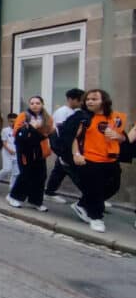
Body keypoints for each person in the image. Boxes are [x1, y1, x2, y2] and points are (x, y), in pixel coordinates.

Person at [70, 89, 127, 233]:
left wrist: (117, 136)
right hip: (90, 160)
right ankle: (96, 218)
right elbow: (74, 138)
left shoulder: (116, 118)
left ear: (104, 101)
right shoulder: (83, 118)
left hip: (110, 160)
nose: (89, 101)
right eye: (88, 99)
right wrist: (76, 154)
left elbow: (123, 138)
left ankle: (82, 204)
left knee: (113, 186)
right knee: (95, 190)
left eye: (94, 99)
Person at [7, 96, 54, 211]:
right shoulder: (24, 116)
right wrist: (32, 128)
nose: (35, 105)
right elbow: (17, 134)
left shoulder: (47, 118)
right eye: (32, 103)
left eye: (37, 103)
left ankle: (35, 201)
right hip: (25, 150)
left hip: (39, 150)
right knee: (26, 174)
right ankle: (13, 196)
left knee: (40, 176)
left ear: (42, 104)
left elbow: (48, 133)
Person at [45, 88, 85, 203]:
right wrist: (62, 150)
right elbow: (62, 132)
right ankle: (92, 196)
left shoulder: (75, 112)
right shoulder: (63, 112)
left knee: (59, 170)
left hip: (68, 147)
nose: (82, 103)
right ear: (70, 99)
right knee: (76, 173)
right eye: (80, 100)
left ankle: (49, 191)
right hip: (64, 147)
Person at [0, 113, 19, 191]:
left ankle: (12, 188)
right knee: (7, 169)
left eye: (15, 121)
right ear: (8, 121)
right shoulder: (5, 130)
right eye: (11, 121)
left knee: (16, 172)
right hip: (7, 152)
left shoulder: (19, 130)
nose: (13, 123)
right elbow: (3, 142)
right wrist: (9, 150)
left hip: (17, 153)